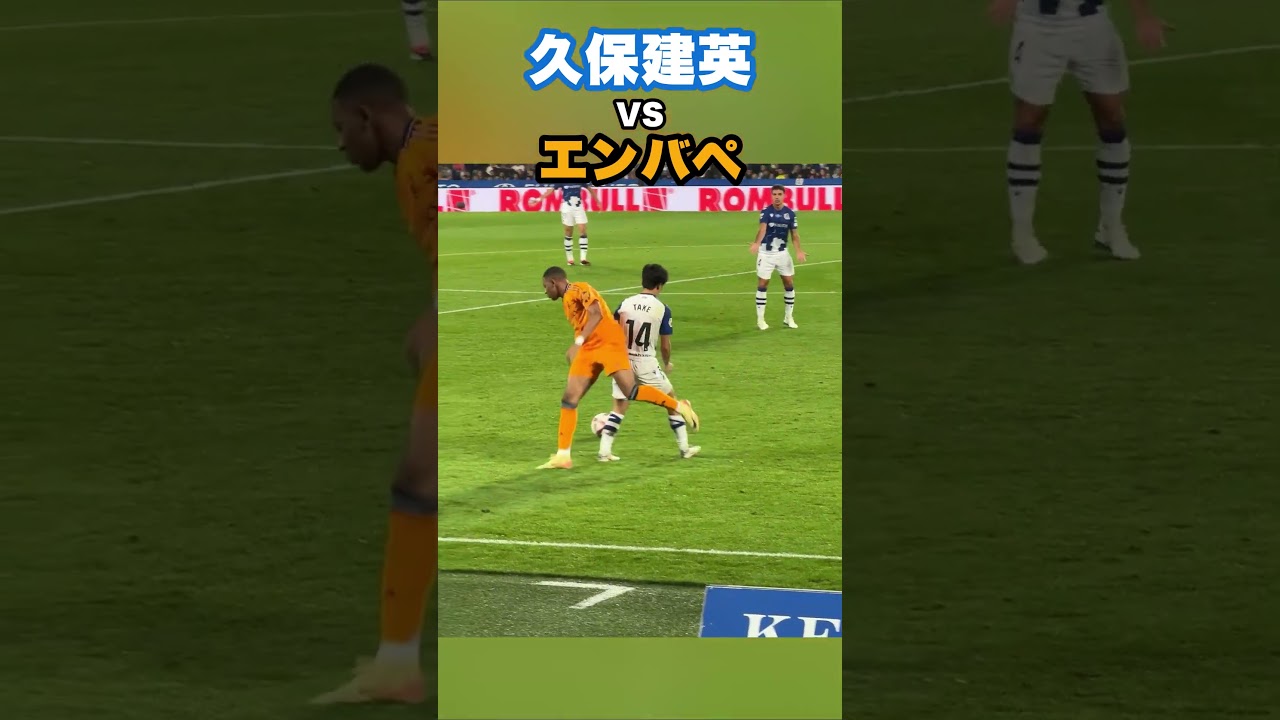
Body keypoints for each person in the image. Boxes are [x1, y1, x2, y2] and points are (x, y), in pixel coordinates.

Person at [311, 63, 436, 706]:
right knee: (423, 482)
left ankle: (398, 666)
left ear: (367, 117)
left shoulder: (425, 160)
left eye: (342, 129)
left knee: (420, 483)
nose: (340, 144)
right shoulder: (421, 151)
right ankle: (397, 661)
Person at [990, 0, 1170, 264]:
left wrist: (1143, 16)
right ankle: (1023, 234)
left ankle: (1111, 227)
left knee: (1112, 117)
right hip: (1038, 25)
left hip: (1092, 23)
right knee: (1028, 121)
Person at [538, 267, 699, 470]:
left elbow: (596, 314)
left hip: (609, 344)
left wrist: (578, 342)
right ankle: (563, 456)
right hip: (589, 349)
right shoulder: (567, 300)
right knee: (569, 400)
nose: (545, 291)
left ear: (553, 282)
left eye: (545, 287)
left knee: (629, 391)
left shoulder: (580, 288)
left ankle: (678, 406)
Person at [596, 264, 701, 461]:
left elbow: (612, 328)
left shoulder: (625, 303)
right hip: (646, 362)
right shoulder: (662, 309)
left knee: (619, 405)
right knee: (672, 401)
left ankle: (604, 452)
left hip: (622, 361)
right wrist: (667, 363)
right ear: (659, 285)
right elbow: (665, 346)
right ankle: (685, 449)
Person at [751, 186, 807, 330]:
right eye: (774, 194)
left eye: (779, 194)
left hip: (782, 254)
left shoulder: (790, 214)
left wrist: (799, 251)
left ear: (784, 195)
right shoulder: (766, 212)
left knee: (789, 283)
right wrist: (757, 243)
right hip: (766, 254)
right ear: (771, 196)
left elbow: (794, 235)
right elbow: (762, 229)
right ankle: (760, 320)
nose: (777, 197)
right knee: (762, 284)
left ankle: (788, 317)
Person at [540, 182, 600, 266]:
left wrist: (597, 201)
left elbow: (589, 189)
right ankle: (570, 258)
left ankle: (583, 259)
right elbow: (552, 190)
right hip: (567, 207)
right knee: (568, 232)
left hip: (578, 207)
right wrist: (539, 199)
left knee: (582, 229)